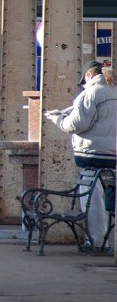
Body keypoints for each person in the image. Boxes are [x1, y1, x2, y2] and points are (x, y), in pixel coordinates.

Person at [44, 60, 117, 248]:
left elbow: (76, 125)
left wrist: (58, 119)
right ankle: (112, 242)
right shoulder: (113, 90)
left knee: (91, 200)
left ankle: (95, 239)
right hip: (113, 156)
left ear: (88, 76)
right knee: (111, 201)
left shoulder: (91, 93)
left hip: (91, 154)